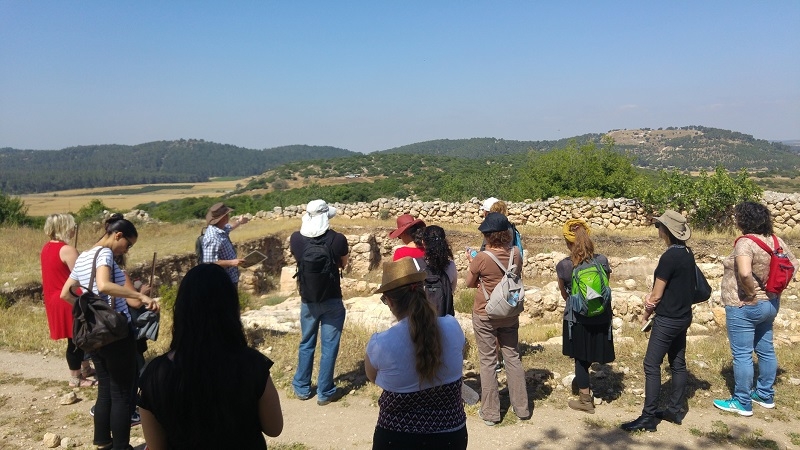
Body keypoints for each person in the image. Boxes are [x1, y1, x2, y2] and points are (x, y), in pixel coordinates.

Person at [138, 264, 283, 449]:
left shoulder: (155, 375)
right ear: (231, 309)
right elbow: (274, 428)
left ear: (181, 310)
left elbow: (156, 446)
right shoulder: (252, 364)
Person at [60, 214, 159, 450]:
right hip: (116, 333)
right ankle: (122, 446)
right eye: (128, 244)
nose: (126, 249)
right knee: (122, 394)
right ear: (118, 235)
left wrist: (90, 310)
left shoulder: (84, 256)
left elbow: (66, 293)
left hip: (95, 334)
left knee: (105, 390)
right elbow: (104, 285)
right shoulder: (105, 253)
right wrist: (140, 295)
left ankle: (103, 441)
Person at [366, 257, 467, 449]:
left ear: (390, 301)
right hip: (450, 435)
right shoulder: (452, 327)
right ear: (423, 291)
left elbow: (373, 377)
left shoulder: (381, 343)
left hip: (397, 437)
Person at [713, 201, 798, 416]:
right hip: (770, 303)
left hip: (745, 305)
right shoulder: (776, 240)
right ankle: (765, 394)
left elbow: (744, 273)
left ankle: (742, 401)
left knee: (742, 354)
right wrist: (776, 290)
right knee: (766, 349)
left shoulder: (745, 243)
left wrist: (751, 294)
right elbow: (794, 265)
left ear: (744, 220)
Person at [621, 210, 695, 432]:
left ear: (666, 231)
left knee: (651, 364)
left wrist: (646, 312)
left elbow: (656, 294)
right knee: (678, 363)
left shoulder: (669, 257)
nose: (657, 229)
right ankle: (674, 410)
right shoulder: (687, 253)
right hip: (683, 316)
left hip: (668, 319)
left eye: (659, 226)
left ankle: (648, 417)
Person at [465, 212, 530, 425]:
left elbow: (469, 283)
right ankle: (522, 408)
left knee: (488, 361)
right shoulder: (516, 253)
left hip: (485, 312)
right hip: (509, 312)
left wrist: (472, 262)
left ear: (487, 235)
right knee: (512, 356)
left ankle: (491, 413)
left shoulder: (482, 258)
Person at [289, 199, 349, 405]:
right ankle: (325, 391)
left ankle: (301, 386)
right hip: (332, 298)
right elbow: (343, 263)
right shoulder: (338, 239)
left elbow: (298, 261)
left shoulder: (296, 239)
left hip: (308, 299)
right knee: (329, 346)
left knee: (306, 342)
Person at [556, 219, 615, 414]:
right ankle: (587, 388)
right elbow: (605, 286)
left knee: (580, 359)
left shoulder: (564, 266)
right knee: (591, 352)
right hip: (601, 316)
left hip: (577, 318)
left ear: (568, 242)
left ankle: (585, 399)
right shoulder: (602, 260)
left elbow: (564, 294)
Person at [40, 213, 96, 387]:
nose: (74, 230)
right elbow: (81, 278)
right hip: (68, 298)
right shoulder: (67, 250)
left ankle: (85, 368)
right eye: (72, 226)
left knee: (76, 337)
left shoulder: (47, 247)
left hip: (54, 298)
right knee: (76, 339)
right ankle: (76, 378)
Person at [201, 202, 249, 286]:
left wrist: (239, 221)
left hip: (230, 278)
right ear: (224, 218)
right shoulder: (212, 237)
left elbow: (230, 227)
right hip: (222, 282)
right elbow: (209, 263)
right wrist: (232, 262)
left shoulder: (220, 228)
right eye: (227, 215)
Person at [421, 225, 457, 316]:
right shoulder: (451, 266)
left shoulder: (418, 265)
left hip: (424, 318)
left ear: (423, 243)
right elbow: (451, 290)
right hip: (445, 316)